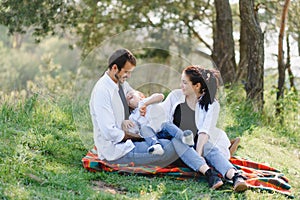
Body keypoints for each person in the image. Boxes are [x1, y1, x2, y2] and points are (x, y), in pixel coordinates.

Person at [90, 48, 226, 190]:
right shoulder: (102, 91)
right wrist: (140, 136)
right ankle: (209, 171)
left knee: (173, 140)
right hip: (117, 150)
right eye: (126, 72)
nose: (129, 76)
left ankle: (212, 167)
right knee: (175, 144)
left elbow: (133, 95)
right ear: (114, 68)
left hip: (130, 139)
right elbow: (109, 133)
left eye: (131, 72)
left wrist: (139, 103)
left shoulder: (119, 83)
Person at [161, 65, 248, 192]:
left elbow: (204, 132)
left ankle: (235, 176)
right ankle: (210, 174)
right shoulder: (175, 96)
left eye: (185, 83)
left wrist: (198, 153)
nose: (181, 85)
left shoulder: (211, 104)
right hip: (177, 143)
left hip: (200, 142)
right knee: (178, 141)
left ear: (197, 86)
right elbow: (161, 115)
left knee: (208, 147)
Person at [123, 90, 194, 155]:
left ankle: (184, 137)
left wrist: (145, 104)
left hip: (164, 128)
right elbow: (135, 130)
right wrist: (125, 123)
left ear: (141, 95)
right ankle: (156, 145)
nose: (128, 96)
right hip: (154, 134)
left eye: (131, 95)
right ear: (130, 106)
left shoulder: (150, 100)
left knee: (167, 124)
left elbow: (161, 97)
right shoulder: (133, 116)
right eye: (128, 101)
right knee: (144, 129)